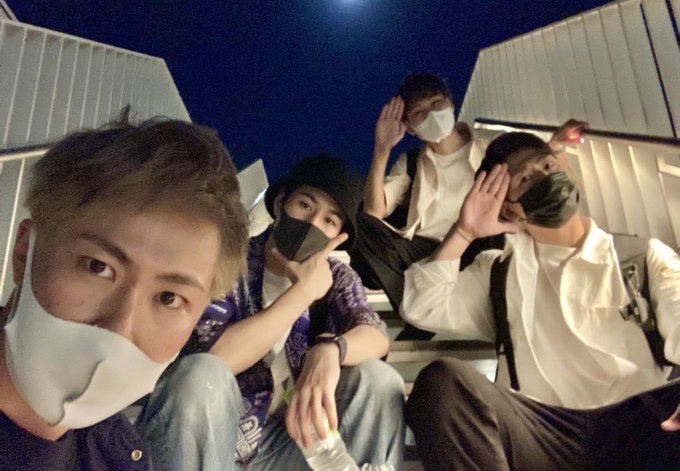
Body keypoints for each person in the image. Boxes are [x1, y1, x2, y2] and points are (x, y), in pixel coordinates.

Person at [401, 131, 680, 470]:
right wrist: (465, 232)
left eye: (548, 166)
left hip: (636, 428)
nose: (545, 179)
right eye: (525, 179)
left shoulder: (640, 256)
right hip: (540, 433)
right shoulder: (497, 272)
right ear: (506, 207)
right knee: (442, 384)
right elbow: (422, 305)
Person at [0, 115, 249, 471]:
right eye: (97, 267)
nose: (119, 328)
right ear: (25, 252)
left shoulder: (119, 452)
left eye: (168, 298)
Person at [136, 154, 406, 471]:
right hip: (213, 440)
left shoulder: (336, 278)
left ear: (338, 237)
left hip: (287, 444)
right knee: (200, 376)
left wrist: (330, 350)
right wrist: (302, 293)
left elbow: (376, 336)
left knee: (379, 380)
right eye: (305, 205)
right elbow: (212, 360)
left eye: (329, 221)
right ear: (279, 204)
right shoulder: (228, 262)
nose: (313, 223)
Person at [350, 72, 579, 339]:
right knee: (362, 227)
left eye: (436, 103)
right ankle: (419, 312)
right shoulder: (411, 161)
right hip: (429, 249)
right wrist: (382, 148)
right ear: (410, 127)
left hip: (482, 240)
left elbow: (530, 167)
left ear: (450, 103)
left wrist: (555, 147)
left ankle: (423, 322)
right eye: (419, 113)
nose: (431, 114)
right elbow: (374, 213)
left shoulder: (491, 144)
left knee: (500, 228)